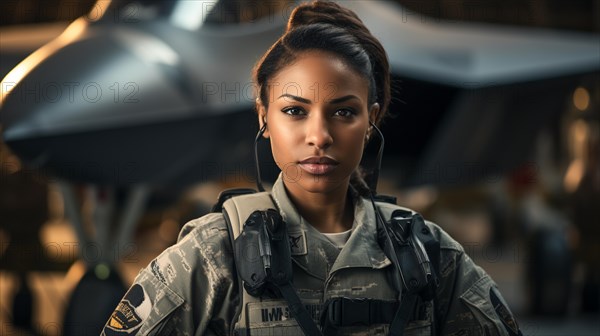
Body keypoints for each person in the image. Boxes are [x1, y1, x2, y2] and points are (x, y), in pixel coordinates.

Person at [102, 1, 522, 335]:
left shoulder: (430, 255)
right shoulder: (214, 256)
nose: (318, 135)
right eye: (295, 111)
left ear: (372, 119)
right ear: (264, 117)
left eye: (343, 112)